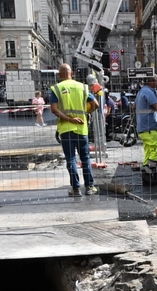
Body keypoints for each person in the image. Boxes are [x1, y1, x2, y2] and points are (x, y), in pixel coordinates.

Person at [47, 63, 99, 197]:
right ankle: (89, 187)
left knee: (71, 159)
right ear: (72, 73)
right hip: (81, 129)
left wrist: (69, 119)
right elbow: (95, 104)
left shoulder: (57, 88)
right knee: (85, 158)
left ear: (59, 75)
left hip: (66, 130)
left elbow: (54, 109)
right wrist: (86, 113)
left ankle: (76, 189)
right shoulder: (82, 87)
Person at [134, 74, 157, 186]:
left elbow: (134, 106)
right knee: (155, 148)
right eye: (156, 81)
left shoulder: (141, 91)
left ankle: (147, 176)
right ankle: (148, 171)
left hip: (142, 127)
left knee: (148, 151)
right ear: (152, 82)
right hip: (149, 127)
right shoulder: (149, 92)